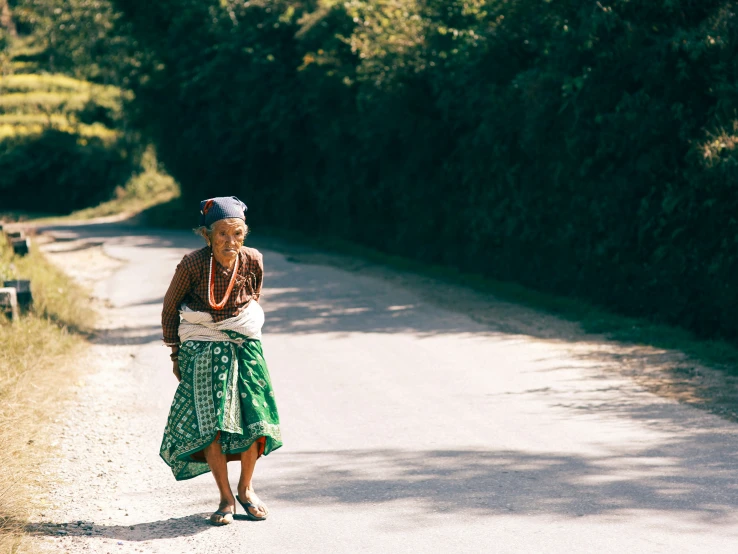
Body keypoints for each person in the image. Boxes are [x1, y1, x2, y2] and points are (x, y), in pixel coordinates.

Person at [159, 196, 282, 526]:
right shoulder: (192, 265)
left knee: (255, 418)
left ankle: (246, 489)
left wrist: (237, 327)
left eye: (237, 234)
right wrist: (175, 353)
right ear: (207, 235)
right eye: (223, 234)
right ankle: (225, 498)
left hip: (245, 346)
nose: (231, 241)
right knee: (212, 424)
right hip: (203, 349)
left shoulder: (253, 260)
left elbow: (252, 299)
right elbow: (171, 311)